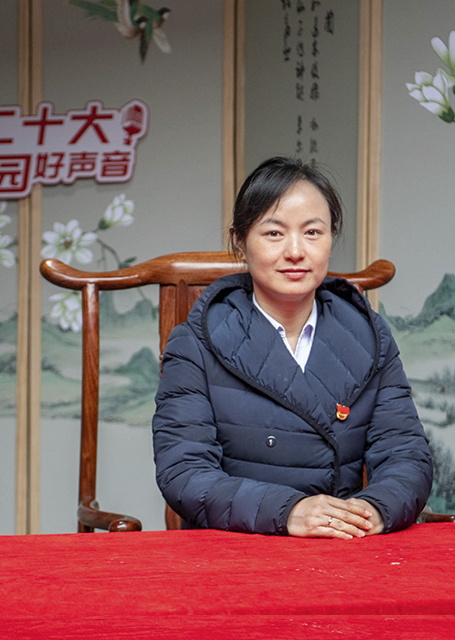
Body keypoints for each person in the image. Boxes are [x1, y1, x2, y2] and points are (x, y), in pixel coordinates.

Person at [152, 156, 432, 539]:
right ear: (240, 241)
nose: (296, 251)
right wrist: (289, 512)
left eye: (313, 232)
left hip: (343, 547)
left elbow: (406, 454)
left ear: (331, 238)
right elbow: (184, 473)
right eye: (274, 233)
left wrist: (373, 510)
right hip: (234, 549)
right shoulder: (196, 341)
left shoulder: (368, 334)